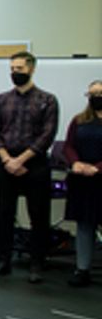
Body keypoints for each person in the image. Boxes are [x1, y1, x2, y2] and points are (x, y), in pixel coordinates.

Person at [0, 51, 59, 282]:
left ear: (31, 69)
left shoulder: (47, 100)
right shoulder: (0, 100)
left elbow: (47, 135)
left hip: (34, 163)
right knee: (4, 213)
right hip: (6, 162)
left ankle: (37, 263)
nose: (14, 73)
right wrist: (7, 159)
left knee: (38, 215)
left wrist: (22, 159)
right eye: (12, 69)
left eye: (19, 68)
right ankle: (3, 260)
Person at [62, 81, 102, 287]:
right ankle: (82, 268)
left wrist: (97, 168)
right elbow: (68, 145)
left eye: (100, 93)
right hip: (82, 180)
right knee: (84, 226)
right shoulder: (79, 120)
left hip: (99, 177)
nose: (96, 97)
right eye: (92, 94)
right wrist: (75, 162)